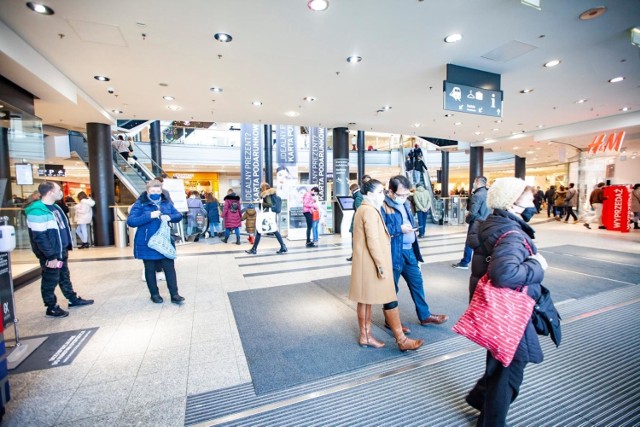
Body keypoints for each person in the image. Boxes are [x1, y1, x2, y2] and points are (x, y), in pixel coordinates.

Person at [464, 177, 546, 426]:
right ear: (512, 203)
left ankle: (480, 398)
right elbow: (505, 275)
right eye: (527, 197)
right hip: (510, 309)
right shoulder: (510, 234)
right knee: (510, 367)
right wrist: (537, 265)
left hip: (495, 307)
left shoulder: (492, 223)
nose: (533, 200)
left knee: (501, 361)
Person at [348, 179, 424, 352]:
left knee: (366, 300)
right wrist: (382, 266)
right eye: (380, 192)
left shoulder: (367, 209)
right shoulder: (368, 210)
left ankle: (368, 336)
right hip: (371, 263)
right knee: (379, 297)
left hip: (367, 263)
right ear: (369, 194)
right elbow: (373, 241)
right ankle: (398, 339)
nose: (383, 195)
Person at [382, 175, 448, 331]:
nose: (404, 197)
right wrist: (399, 229)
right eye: (401, 194)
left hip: (409, 251)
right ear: (391, 192)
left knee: (417, 282)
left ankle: (425, 315)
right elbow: (381, 229)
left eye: (406, 194)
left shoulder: (405, 203)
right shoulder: (383, 206)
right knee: (392, 289)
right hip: (394, 253)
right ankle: (391, 321)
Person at [25, 181, 94, 318]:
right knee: (50, 279)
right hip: (50, 254)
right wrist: (51, 256)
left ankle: (72, 299)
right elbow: (40, 237)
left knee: (64, 276)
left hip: (61, 249)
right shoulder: (37, 210)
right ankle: (51, 307)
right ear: (50, 192)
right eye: (58, 190)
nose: (61, 192)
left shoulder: (56, 207)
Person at [127, 179, 184, 304]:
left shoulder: (166, 203)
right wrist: (149, 216)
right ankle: (154, 295)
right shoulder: (140, 204)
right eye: (153, 191)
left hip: (164, 241)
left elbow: (178, 215)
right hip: (147, 242)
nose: (156, 193)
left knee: (169, 268)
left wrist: (169, 217)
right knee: (150, 268)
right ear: (148, 191)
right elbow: (131, 221)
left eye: (158, 191)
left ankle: (174, 294)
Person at [453, 176, 490, 269]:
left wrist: (468, 219)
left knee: (470, 242)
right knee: (483, 242)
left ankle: (465, 262)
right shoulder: (488, 193)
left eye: (474, 182)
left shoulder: (477, 195)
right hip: (487, 221)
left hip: (477, 222)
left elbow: (473, 212)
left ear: (477, 183)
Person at [245, 183, 287, 254]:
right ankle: (283, 246)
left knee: (259, 230)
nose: (260, 189)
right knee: (274, 230)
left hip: (266, 215)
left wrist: (261, 203)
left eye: (261, 188)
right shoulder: (272, 194)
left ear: (263, 188)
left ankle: (254, 249)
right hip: (270, 215)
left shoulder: (266, 194)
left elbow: (269, 204)